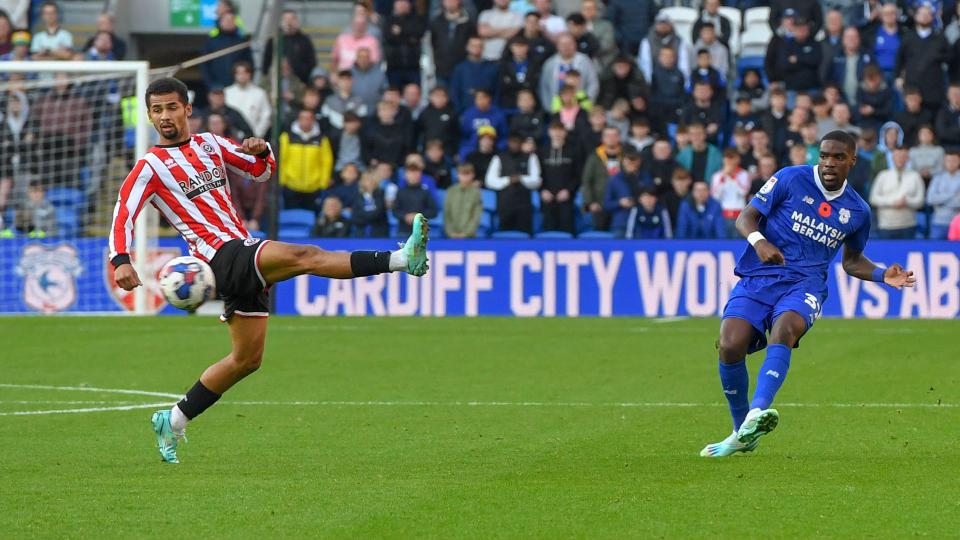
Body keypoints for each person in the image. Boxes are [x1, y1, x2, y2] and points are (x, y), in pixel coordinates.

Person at [109, 78, 430, 463]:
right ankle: (401, 259)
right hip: (219, 256)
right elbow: (124, 210)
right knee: (306, 255)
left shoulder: (211, 144)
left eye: (172, 107)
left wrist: (261, 151)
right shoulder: (149, 166)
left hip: (239, 248)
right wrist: (120, 259)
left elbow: (260, 171)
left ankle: (174, 419)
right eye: (157, 110)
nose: (165, 116)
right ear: (149, 116)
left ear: (188, 109)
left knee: (246, 360)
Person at [700, 131, 916, 458]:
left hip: (806, 284)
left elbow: (852, 261)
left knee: (785, 329)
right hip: (760, 275)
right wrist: (760, 242)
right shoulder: (790, 178)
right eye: (824, 155)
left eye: (838, 157)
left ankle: (758, 411)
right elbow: (746, 218)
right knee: (730, 344)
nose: (829, 163)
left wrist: (882, 274)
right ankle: (741, 430)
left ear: (852, 160)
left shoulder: (858, 211)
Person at [896, 5, 950, 115]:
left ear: (932, 17)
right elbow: (899, 60)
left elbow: (949, 59)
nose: (924, 17)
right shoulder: (908, 37)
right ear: (916, 16)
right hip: (913, 89)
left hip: (934, 91)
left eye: (927, 14)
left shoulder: (940, 38)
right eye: (922, 14)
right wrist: (898, 77)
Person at [485, 132, 542, 234]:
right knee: (505, 236)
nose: (514, 144)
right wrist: (508, 180)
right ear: (508, 142)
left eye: (517, 142)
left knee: (524, 235)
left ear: (521, 143)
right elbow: (489, 181)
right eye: (512, 142)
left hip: (524, 206)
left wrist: (521, 178)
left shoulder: (531, 157)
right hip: (504, 204)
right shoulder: (499, 158)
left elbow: (537, 181)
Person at [279, 109, 334, 211]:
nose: (306, 121)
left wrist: (323, 183)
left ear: (313, 121)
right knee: (292, 215)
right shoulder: (287, 137)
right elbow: (281, 159)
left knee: (311, 216)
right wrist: (282, 180)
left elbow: (327, 162)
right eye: (303, 118)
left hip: (313, 188)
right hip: (291, 186)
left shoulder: (321, 139)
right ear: (298, 120)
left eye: (309, 118)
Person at [869, 145, 926, 239]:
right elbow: (873, 198)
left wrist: (907, 202)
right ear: (892, 158)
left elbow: (921, 200)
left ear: (907, 158)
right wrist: (892, 202)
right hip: (886, 226)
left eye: (903, 156)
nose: (900, 159)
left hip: (908, 226)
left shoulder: (915, 176)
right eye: (897, 156)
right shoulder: (882, 176)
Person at [538, 33, 599, 114]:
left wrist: (587, 102)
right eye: (563, 45)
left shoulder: (584, 61)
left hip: (581, 108)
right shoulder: (550, 63)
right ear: (557, 46)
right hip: (557, 108)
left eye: (569, 44)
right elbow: (544, 87)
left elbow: (593, 83)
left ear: (575, 45)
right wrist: (549, 107)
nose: (566, 47)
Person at [539, 121, 580, 234]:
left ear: (565, 132)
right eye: (554, 130)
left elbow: (578, 175)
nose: (557, 133)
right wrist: (542, 190)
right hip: (547, 197)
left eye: (560, 130)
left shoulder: (574, 150)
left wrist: (569, 190)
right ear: (549, 132)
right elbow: (538, 174)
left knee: (567, 230)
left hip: (567, 198)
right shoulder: (542, 151)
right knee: (548, 231)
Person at [580, 126, 623, 231]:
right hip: (599, 204)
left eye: (614, 135)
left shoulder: (626, 156)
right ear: (602, 138)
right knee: (600, 234)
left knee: (620, 234)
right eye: (608, 136)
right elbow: (586, 181)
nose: (611, 138)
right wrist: (591, 202)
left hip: (621, 204)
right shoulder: (594, 156)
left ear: (619, 138)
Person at [604, 149, 651, 237]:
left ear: (639, 161)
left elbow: (652, 197)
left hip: (642, 222)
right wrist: (620, 203)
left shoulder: (645, 177)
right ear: (623, 161)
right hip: (621, 223)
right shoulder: (615, 179)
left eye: (634, 159)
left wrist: (641, 201)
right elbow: (607, 204)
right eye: (628, 159)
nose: (631, 162)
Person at [200, 12, 253, 90]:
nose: (229, 23)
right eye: (226, 20)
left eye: (232, 20)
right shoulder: (212, 42)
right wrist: (211, 83)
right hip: (217, 87)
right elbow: (204, 65)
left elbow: (249, 64)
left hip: (238, 87)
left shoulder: (241, 42)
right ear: (220, 22)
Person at [262, 10, 316, 85]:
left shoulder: (304, 40)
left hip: (301, 82)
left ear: (297, 21)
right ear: (281, 22)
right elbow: (266, 63)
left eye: (292, 19)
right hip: (277, 84)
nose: (289, 22)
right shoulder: (274, 41)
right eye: (286, 19)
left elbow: (312, 62)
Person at [429, 0, 475, 86]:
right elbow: (432, 43)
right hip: (441, 68)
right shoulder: (436, 22)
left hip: (462, 69)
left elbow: (472, 43)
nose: (450, 2)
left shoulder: (468, 22)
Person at [382, 0, 426, 89]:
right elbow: (388, 37)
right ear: (395, 5)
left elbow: (418, 34)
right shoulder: (388, 20)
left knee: (413, 92)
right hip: (394, 67)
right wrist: (408, 36)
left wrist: (401, 32)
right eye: (400, 2)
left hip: (413, 67)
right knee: (394, 93)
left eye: (405, 2)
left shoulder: (417, 19)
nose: (402, 5)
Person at [449, 36, 499, 113]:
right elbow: (454, 91)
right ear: (467, 47)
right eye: (473, 45)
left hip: (488, 112)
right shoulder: (460, 68)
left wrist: (493, 109)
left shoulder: (492, 67)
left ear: (483, 48)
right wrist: (459, 110)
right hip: (465, 110)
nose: (476, 48)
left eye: (479, 46)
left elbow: (497, 90)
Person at [393, 155, 439, 235]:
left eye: (416, 173)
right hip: (403, 231)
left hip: (422, 232)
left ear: (420, 174)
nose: (413, 175)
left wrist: (418, 217)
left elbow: (433, 211)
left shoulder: (425, 192)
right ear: (406, 174)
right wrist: (405, 216)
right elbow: (395, 211)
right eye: (411, 173)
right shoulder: (400, 192)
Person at [225, 62, 272, 138]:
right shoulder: (227, 92)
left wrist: (256, 134)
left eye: (245, 73)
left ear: (250, 74)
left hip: (253, 137)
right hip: (231, 138)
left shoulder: (260, 93)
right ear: (234, 75)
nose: (242, 76)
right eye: (239, 73)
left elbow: (266, 115)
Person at [926, 151, 960, 239]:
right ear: (944, 162)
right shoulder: (937, 178)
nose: (951, 163)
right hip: (939, 222)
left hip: (958, 223)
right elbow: (930, 199)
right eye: (948, 161)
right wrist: (953, 195)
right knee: (936, 247)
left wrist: (941, 200)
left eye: (954, 161)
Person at [444, 163, 483, 238]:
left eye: (467, 174)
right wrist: (450, 232)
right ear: (457, 175)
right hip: (451, 236)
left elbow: (476, 216)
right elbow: (447, 214)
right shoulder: (451, 191)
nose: (465, 177)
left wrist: (466, 233)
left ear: (473, 175)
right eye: (462, 174)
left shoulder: (476, 193)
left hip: (470, 236)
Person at [351, 170, 389, 237]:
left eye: (372, 179)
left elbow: (380, 212)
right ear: (362, 182)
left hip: (379, 231)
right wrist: (368, 218)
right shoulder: (357, 196)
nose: (370, 182)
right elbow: (355, 216)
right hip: (361, 231)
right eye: (367, 179)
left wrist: (366, 216)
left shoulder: (381, 194)